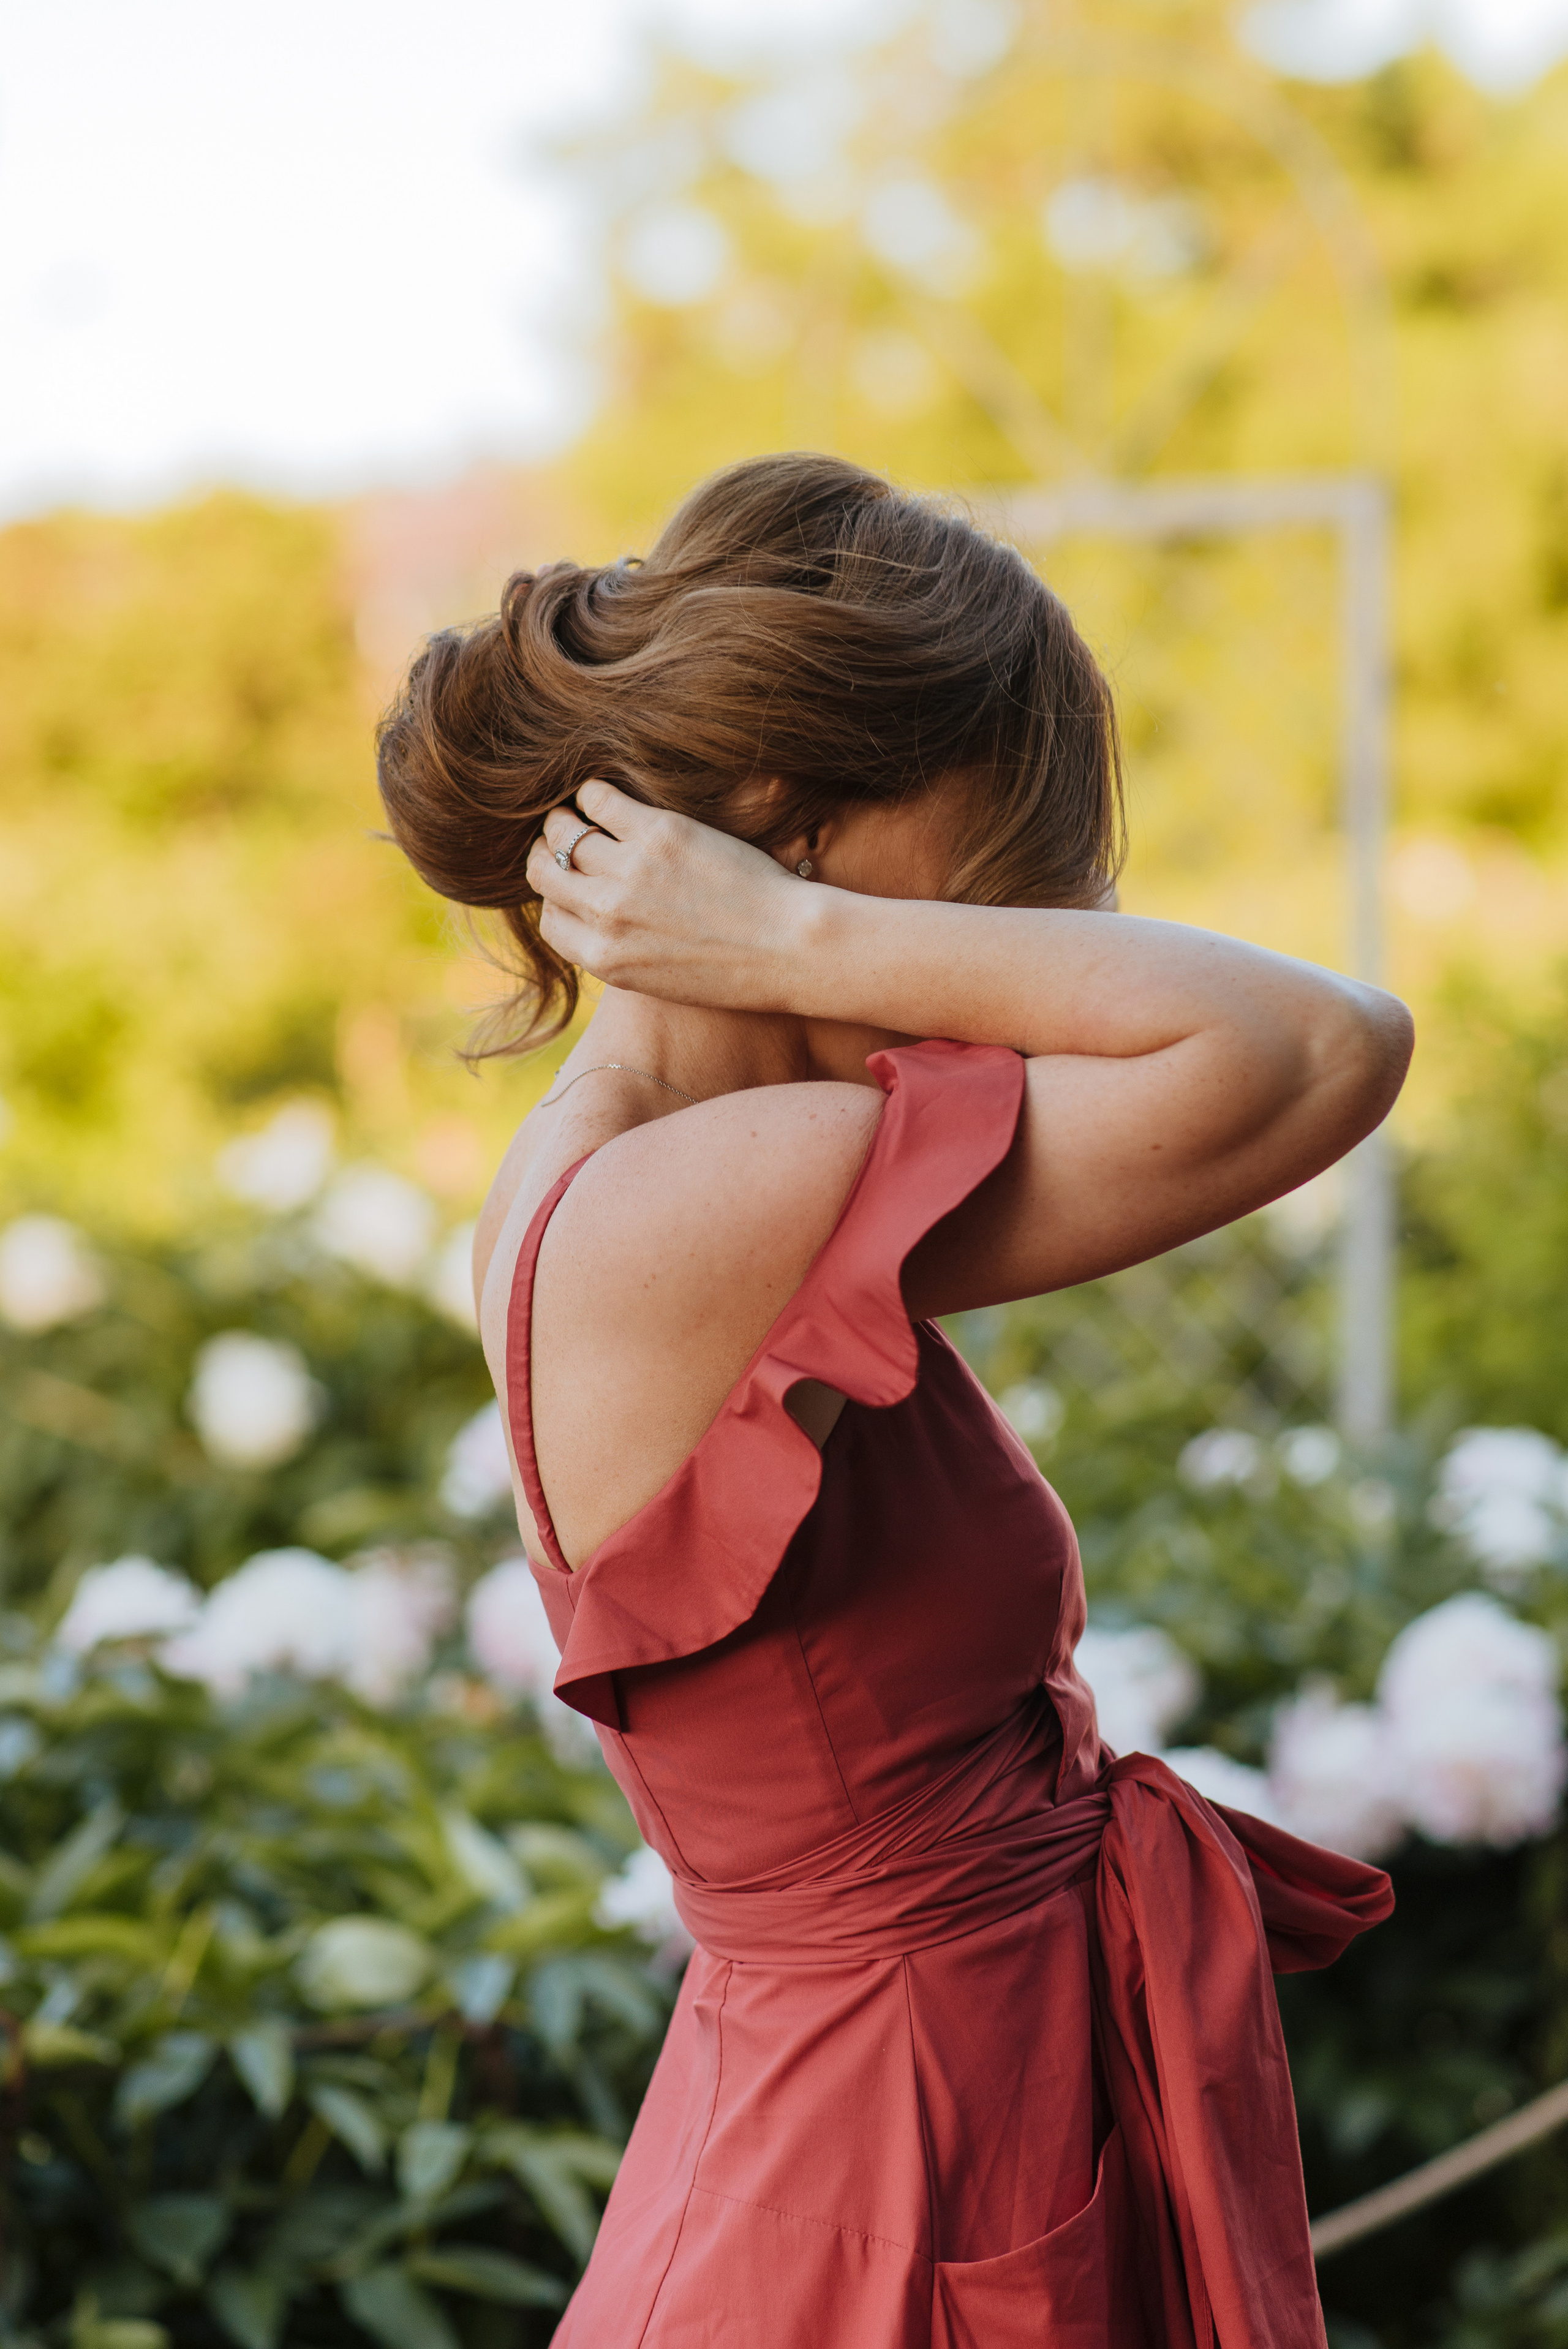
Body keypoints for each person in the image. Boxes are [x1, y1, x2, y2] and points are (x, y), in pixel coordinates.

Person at [377, 453, 1409, 2349]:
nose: (1033, 921)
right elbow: (1320, 1049)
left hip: (931, 2120)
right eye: (997, 849)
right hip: (885, 2183)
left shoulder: (670, 1164)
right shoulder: (704, 1203)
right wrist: (800, 943)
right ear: (784, 820)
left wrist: (805, 938)